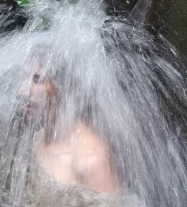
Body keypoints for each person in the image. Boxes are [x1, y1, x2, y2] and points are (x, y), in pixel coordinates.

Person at [19, 61, 119, 196]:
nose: (23, 92)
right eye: (25, 78)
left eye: (36, 80)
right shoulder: (40, 135)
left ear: (64, 85)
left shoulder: (91, 160)